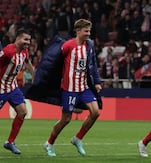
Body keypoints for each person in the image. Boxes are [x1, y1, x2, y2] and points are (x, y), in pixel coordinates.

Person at [43, 19, 102, 157]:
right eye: (86, 31)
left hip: (84, 87)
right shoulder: (68, 46)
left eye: (89, 31)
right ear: (78, 31)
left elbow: (93, 64)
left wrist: (97, 82)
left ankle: (77, 138)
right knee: (66, 119)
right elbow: (55, 61)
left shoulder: (90, 45)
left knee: (95, 112)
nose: (88, 34)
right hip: (69, 89)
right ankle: (49, 143)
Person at [0, 29, 34, 154]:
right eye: (25, 39)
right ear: (18, 39)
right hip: (1, 88)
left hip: (13, 87)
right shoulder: (8, 51)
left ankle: (10, 142)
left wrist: (34, 77)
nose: (28, 42)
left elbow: (27, 62)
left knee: (22, 112)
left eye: (29, 40)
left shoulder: (24, 51)